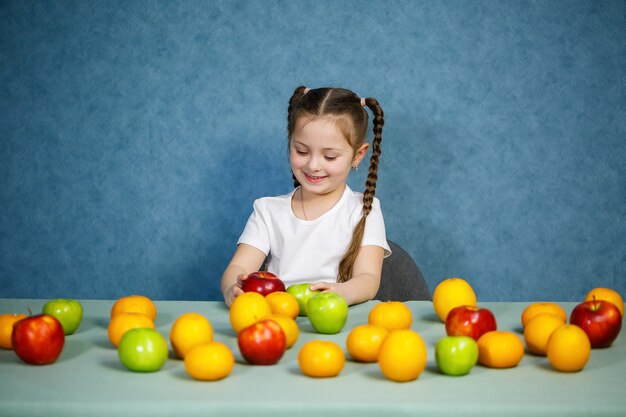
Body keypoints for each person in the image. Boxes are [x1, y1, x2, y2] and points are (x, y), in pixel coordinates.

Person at [220, 86, 391, 306]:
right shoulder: (268, 210)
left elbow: (368, 278)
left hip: (334, 323)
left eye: (329, 156)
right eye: (301, 151)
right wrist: (231, 289)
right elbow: (238, 267)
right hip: (278, 320)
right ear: (290, 142)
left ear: (358, 155)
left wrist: (343, 292)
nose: (313, 165)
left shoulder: (364, 211)